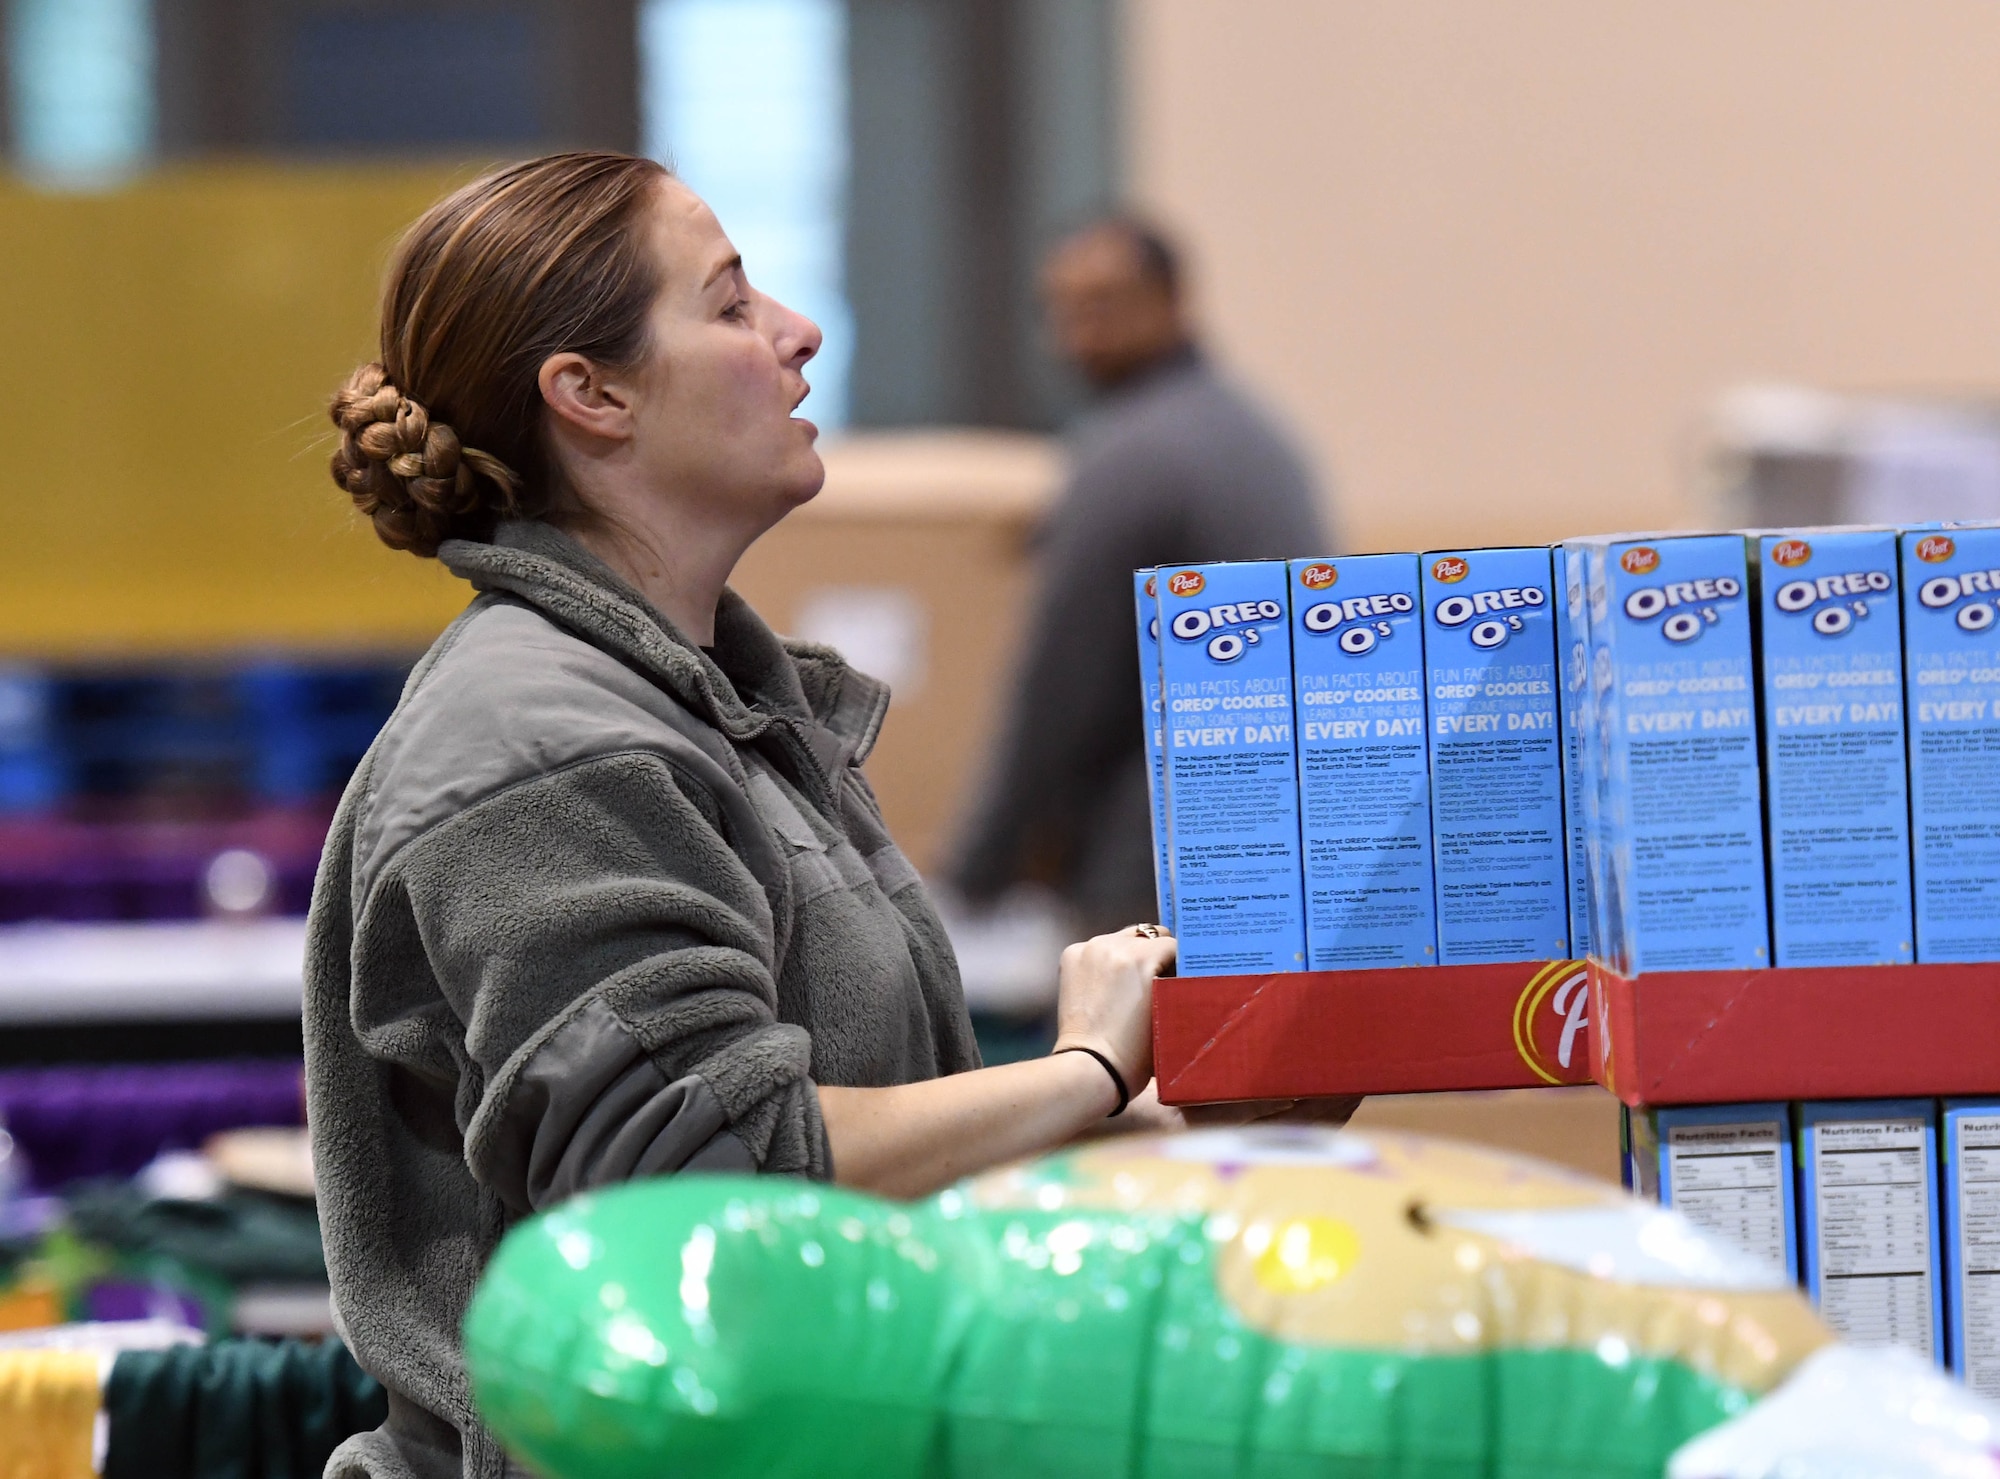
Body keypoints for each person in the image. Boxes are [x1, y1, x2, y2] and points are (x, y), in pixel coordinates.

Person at [303, 153, 1178, 1479]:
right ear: (588, 395)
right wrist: (1080, 1071)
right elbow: (706, 1183)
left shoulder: (714, 711)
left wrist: (1162, 1122)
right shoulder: (542, 743)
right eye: (727, 305)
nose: (795, 331)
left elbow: (854, 1144)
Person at [950, 217, 1331, 934]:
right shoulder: (1263, 435)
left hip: (1147, 871)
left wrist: (976, 869)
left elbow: (1062, 684)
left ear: (1173, 299)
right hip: (1273, 847)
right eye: (1061, 310)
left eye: (1102, 305)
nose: (1077, 335)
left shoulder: (1130, 456)